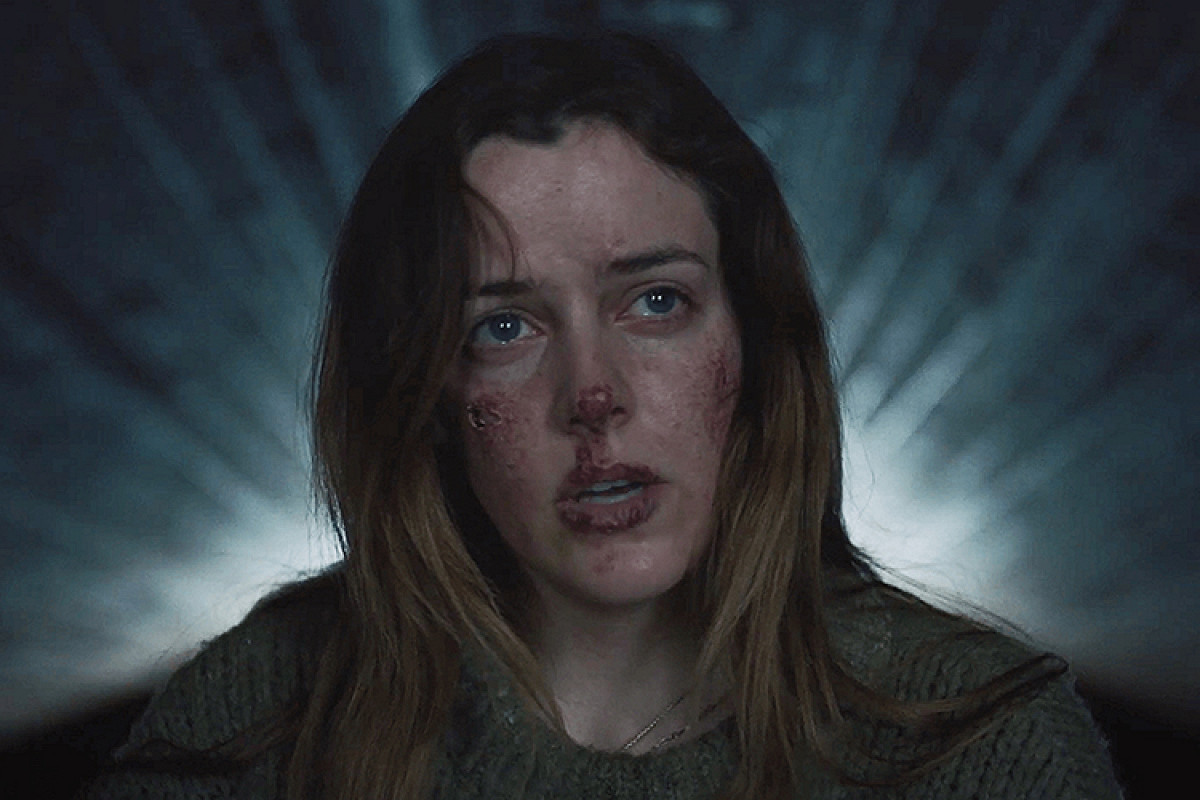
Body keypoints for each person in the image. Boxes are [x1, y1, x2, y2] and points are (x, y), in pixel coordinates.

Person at [87, 31, 1124, 799]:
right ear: (427, 392)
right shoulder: (260, 718)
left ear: (755, 341)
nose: (593, 394)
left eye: (656, 301)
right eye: (504, 327)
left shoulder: (978, 743)